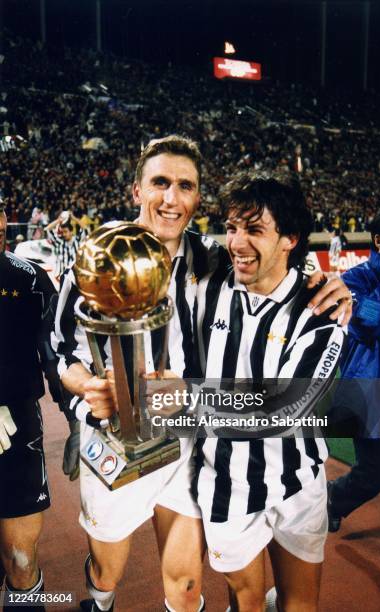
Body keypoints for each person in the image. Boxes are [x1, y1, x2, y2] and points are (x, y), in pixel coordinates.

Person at [52, 137, 353, 612]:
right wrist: (83, 387)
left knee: (187, 585)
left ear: (196, 199)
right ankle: (99, 598)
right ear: (136, 190)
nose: (171, 199)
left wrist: (329, 282)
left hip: (185, 440)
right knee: (108, 567)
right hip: (113, 436)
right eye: (160, 183)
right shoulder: (98, 256)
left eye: (185, 186)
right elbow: (59, 347)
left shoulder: (210, 262)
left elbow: (273, 264)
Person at [192, 173, 347, 612]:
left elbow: (282, 409)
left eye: (254, 230)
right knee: (246, 602)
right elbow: (168, 227)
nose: (237, 242)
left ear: (290, 238)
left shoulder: (322, 309)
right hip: (226, 483)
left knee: (299, 605)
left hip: (297, 483)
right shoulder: (215, 278)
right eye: (232, 226)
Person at [0, 202, 63, 611]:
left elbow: (58, 354)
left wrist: (81, 423)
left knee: (20, 558)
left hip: (18, 428)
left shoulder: (31, 280)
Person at [327, 204, 380, 560]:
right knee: (374, 471)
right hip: (374, 390)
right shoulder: (355, 279)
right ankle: (333, 498)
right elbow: (366, 321)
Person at [45, 211, 87, 280]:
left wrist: (74, 218)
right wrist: (59, 220)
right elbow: (47, 229)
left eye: (65, 232)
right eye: (62, 232)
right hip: (63, 276)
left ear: (71, 232)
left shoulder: (77, 240)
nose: (63, 234)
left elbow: (85, 228)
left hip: (76, 276)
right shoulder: (59, 241)